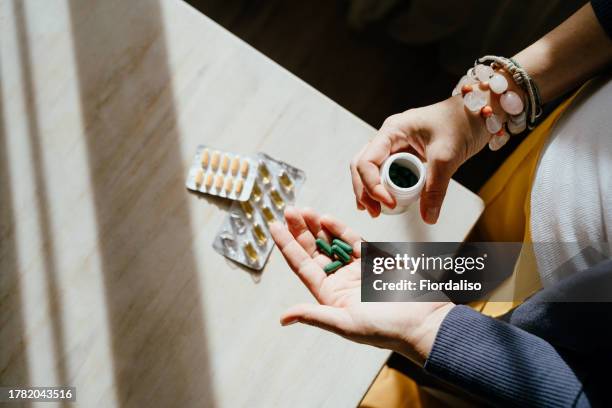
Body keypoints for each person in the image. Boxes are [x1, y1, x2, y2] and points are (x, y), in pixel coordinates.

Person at [269, 1, 612, 407]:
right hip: (557, 173)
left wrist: (434, 329)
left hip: (566, 326)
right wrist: (488, 104)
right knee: (474, 263)